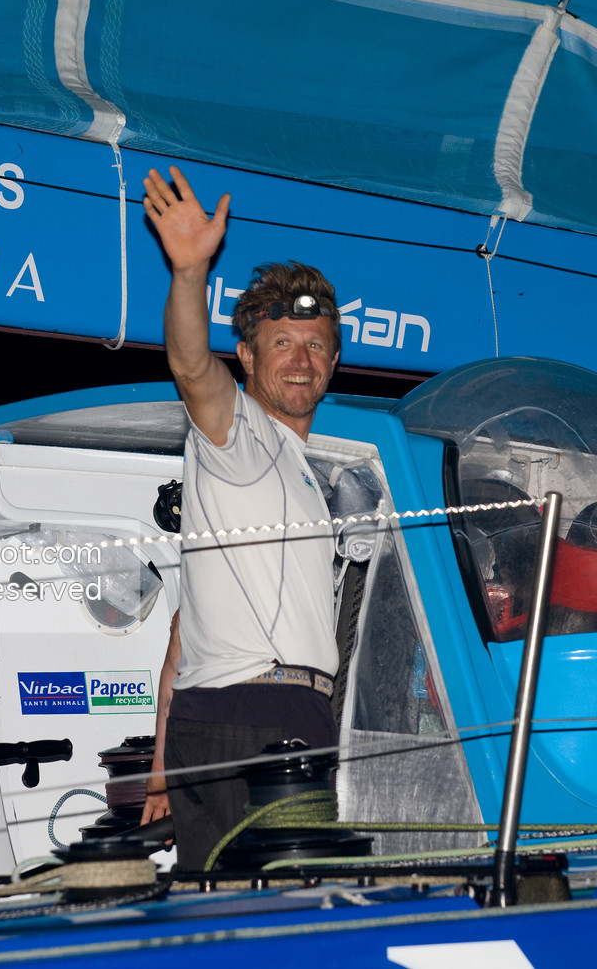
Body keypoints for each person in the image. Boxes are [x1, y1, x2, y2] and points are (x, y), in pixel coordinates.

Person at [139, 166, 341, 870]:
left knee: (234, 913)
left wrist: (162, 765)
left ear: (334, 360)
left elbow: (182, 629)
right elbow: (193, 368)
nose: (301, 359)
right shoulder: (239, 439)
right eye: (282, 342)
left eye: (316, 344)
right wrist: (189, 272)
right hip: (259, 720)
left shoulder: (302, 470)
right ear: (248, 356)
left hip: (238, 720)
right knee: (284, 912)